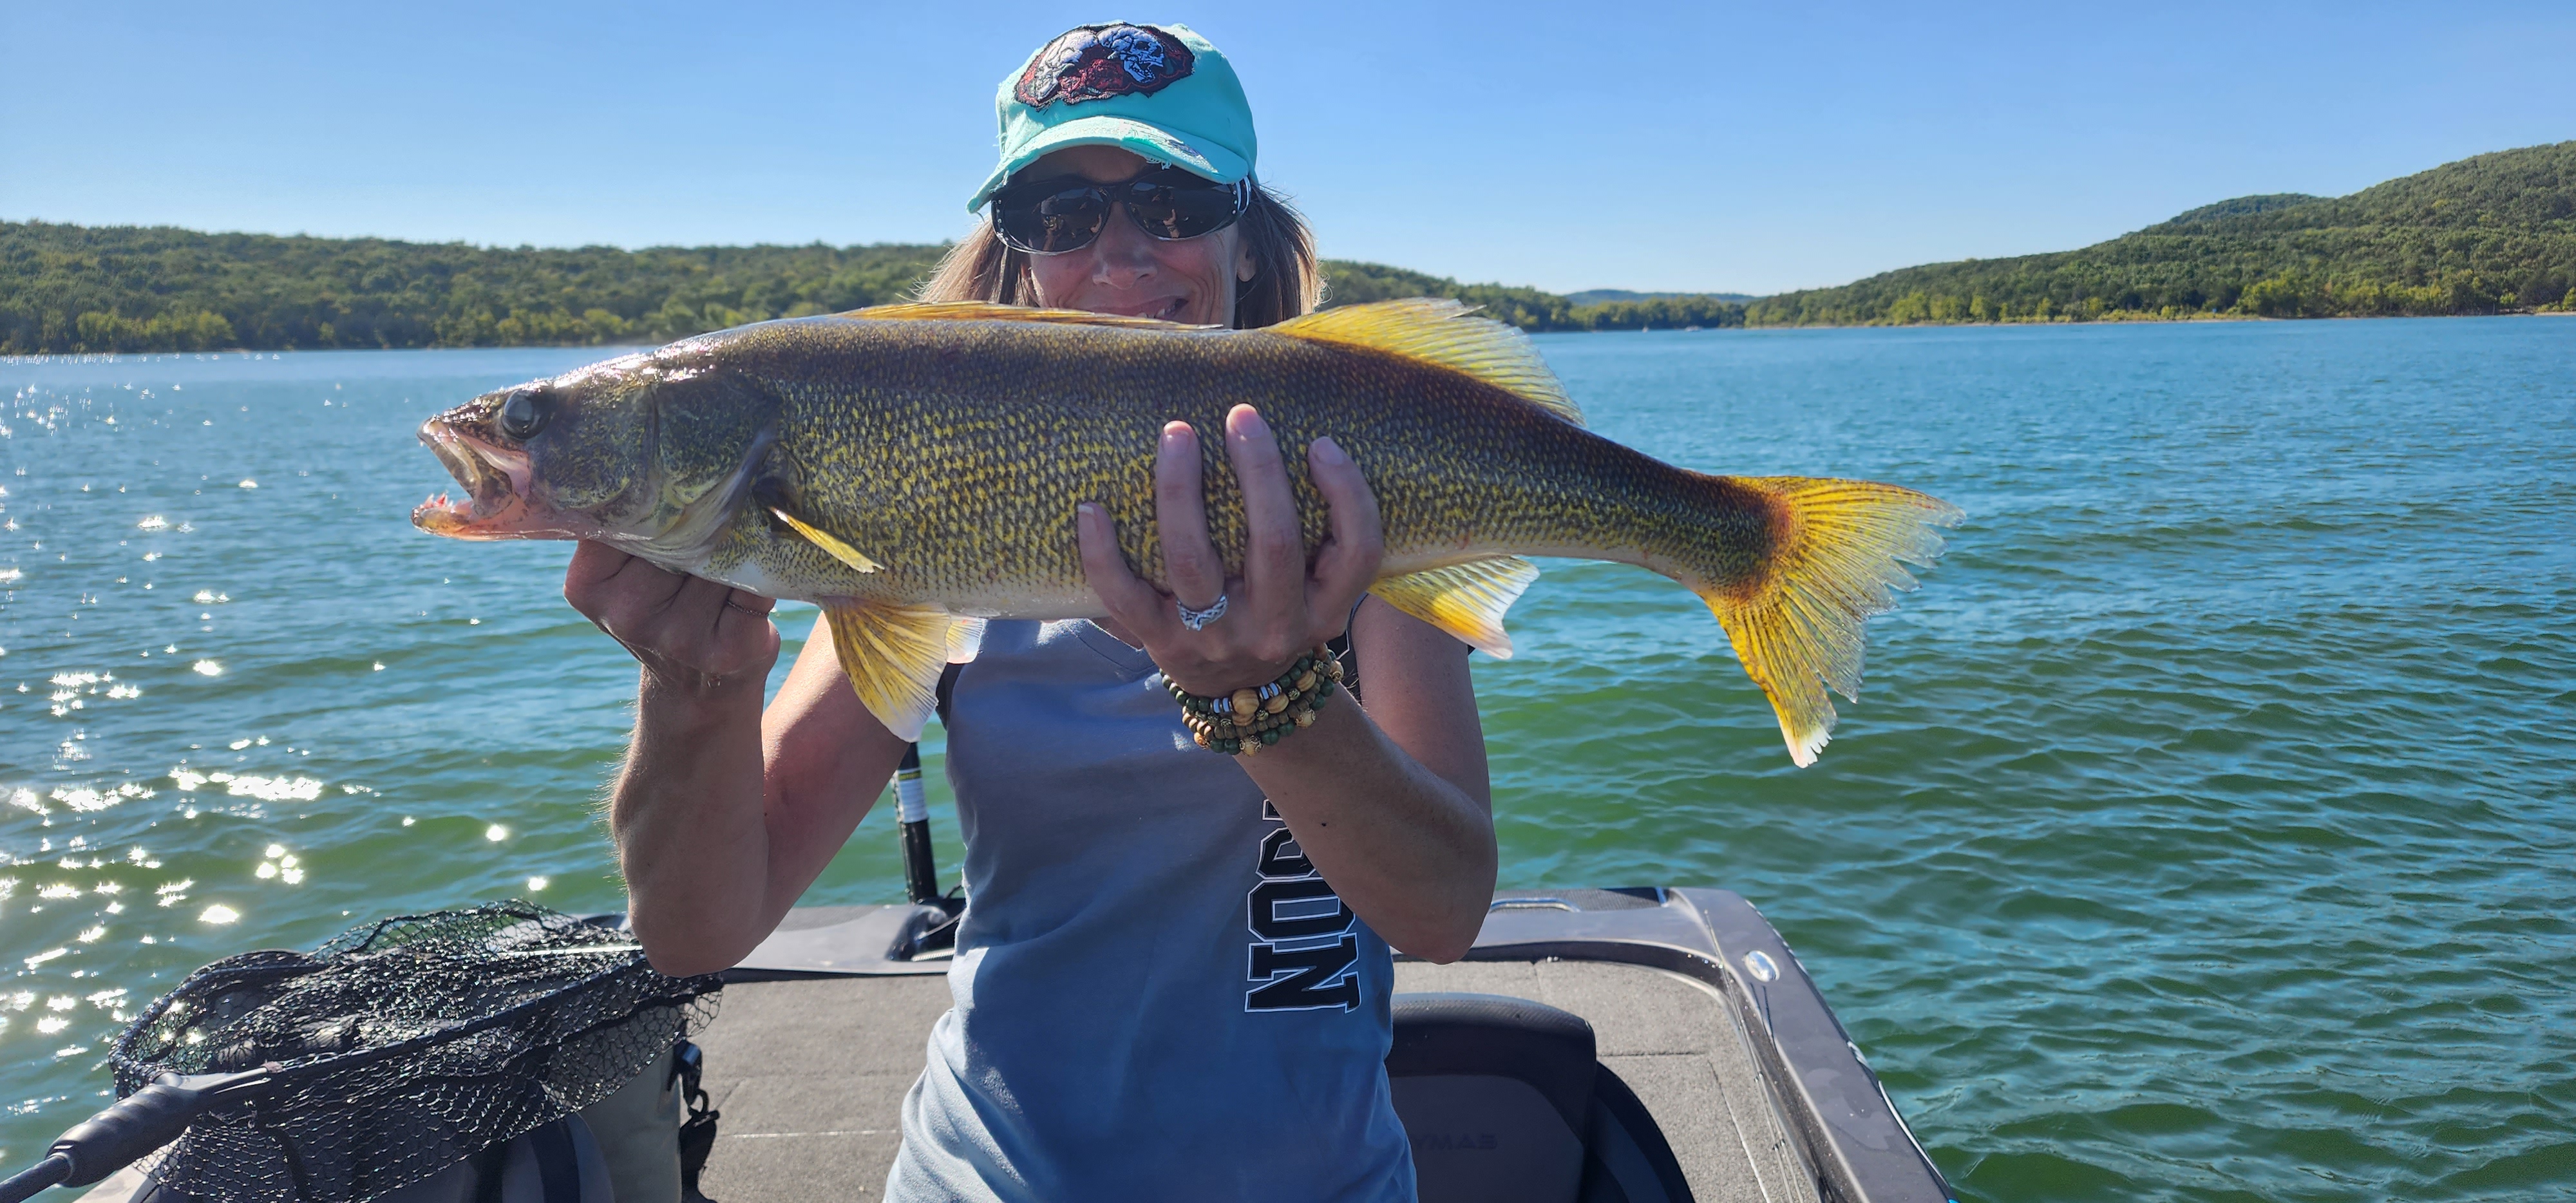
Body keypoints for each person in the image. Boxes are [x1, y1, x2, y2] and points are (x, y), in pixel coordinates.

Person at [567, 23, 1495, 1201]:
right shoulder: (933, 529)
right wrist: (693, 691)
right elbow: (697, 933)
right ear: (1012, 256)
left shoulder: (1349, 508)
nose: (1120, 252)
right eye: (1058, 215)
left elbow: (1442, 912)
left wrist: (1270, 699)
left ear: (1249, 240)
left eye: (1173, 204)